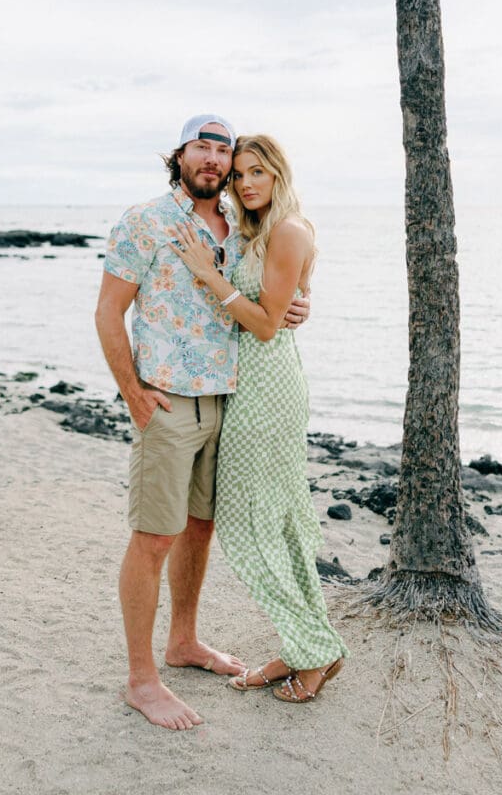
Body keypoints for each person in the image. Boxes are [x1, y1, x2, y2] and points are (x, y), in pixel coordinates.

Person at [94, 116, 309, 731]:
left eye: (225, 151)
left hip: (230, 401)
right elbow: (109, 313)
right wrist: (132, 394)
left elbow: (268, 298)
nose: (215, 160)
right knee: (154, 537)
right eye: (203, 147)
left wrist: (300, 303)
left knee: (198, 530)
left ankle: (183, 642)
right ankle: (142, 679)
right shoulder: (145, 221)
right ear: (180, 155)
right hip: (166, 404)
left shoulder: (246, 226)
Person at [170, 134, 349, 704]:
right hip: (246, 385)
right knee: (278, 525)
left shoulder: (290, 228)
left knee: (250, 524)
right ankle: (307, 646)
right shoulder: (257, 230)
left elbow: (268, 325)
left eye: (257, 172)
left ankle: (314, 652)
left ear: (278, 175)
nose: (245, 183)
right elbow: (281, 302)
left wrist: (209, 274)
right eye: (238, 174)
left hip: (266, 392)